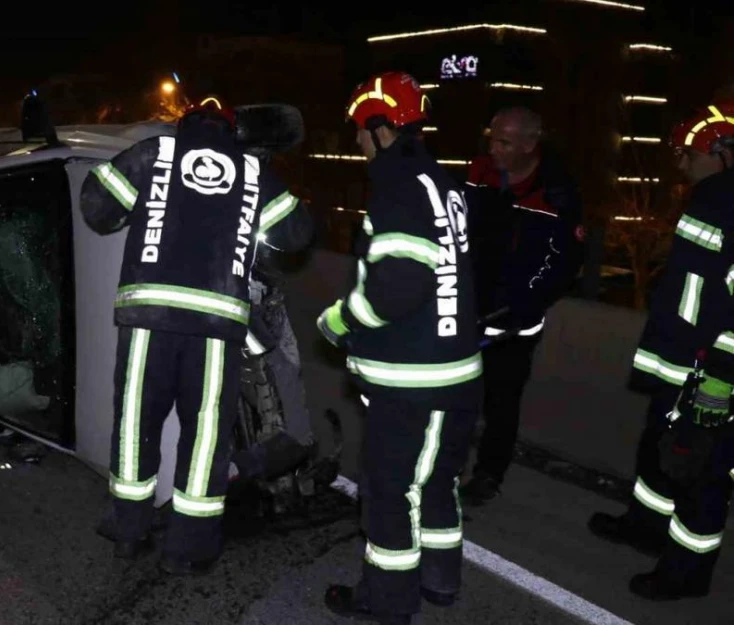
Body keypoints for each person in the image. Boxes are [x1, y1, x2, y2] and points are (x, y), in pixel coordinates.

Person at [79, 97, 313, 574]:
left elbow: (96, 208)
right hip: (215, 330)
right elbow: (295, 234)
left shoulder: (152, 153)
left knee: (134, 428)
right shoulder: (250, 171)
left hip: (150, 322)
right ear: (233, 132)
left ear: (183, 125)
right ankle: (187, 549)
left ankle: (128, 530)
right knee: (204, 438)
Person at [318, 71, 483, 625]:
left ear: (379, 126)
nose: (357, 144)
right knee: (435, 483)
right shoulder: (443, 182)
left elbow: (397, 285)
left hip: (413, 379)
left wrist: (340, 320)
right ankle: (440, 581)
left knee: (390, 492)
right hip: (456, 372)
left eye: (359, 133)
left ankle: (386, 602)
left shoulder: (396, 185)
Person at [589, 103, 734, 600]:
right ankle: (645, 525)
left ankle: (685, 574)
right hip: (679, 358)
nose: (681, 163)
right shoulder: (711, 196)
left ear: (723, 152)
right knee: (658, 447)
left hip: (713, 370)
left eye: (689, 153)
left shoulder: (726, 199)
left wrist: (720, 375)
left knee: (703, 471)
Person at [458, 106, 585, 505]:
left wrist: (521, 301)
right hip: (465, 310)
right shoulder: (478, 173)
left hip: (514, 323)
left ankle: (488, 475)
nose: (493, 148)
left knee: (501, 402)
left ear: (531, 145)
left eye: (505, 142)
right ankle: (445, 464)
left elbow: (562, 263)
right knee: (453, 394)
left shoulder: (556, 193)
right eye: (492, 138)